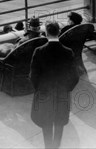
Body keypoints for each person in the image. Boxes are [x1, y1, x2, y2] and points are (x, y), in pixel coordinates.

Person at [29, 21, 79, 149]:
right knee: (59, 124)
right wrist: (65, 89)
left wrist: (40, 90)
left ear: (46, 33)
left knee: (46, 125)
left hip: (45, 95)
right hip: (62, 95)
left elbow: (33, 76)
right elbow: (75, 77)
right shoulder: (68, 52)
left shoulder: (39, 51)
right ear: (59, 32)